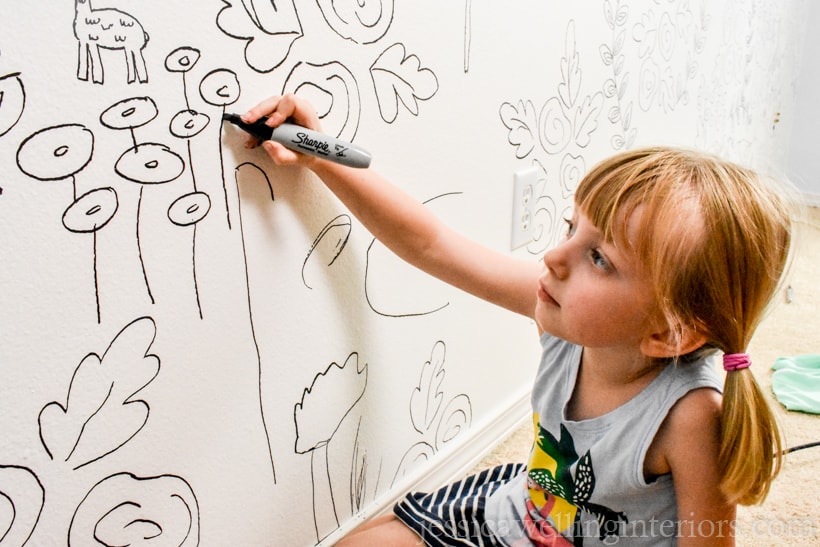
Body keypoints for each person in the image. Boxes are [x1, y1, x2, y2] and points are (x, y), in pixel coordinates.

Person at [243, 94, 793, 546]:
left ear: (667, 333)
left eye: (599, 258)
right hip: (519, 511)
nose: (555, 257)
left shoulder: (693, 416)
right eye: (571, 226)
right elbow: (432, 245)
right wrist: (322, 158)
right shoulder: (558, 319)